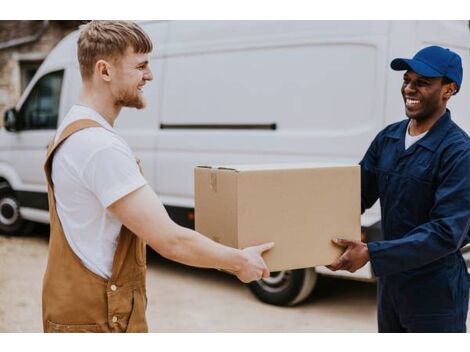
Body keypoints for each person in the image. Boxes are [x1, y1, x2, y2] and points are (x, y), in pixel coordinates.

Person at [42, 20, 274, 333]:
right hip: (99, 321)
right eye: (140, 66)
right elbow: (170, 240)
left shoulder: (72, 128)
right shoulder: (99, 146)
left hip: (76, 315)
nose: (149, 76)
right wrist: (240, 262)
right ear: (104, 71)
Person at [327, 46, 470, 332]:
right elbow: (355, 195)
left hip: (435, 292)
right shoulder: (389, 138)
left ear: (449, 89)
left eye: (422, 83)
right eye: (406, 80)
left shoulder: (458, 152)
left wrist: (371, 253)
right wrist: (315, 234)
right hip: (391, 284)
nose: (409, 89)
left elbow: (446, 233)